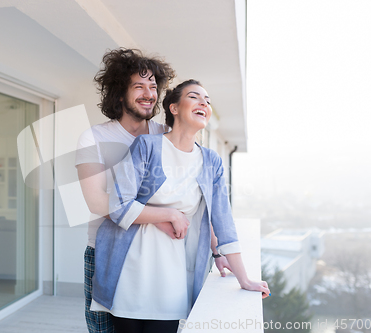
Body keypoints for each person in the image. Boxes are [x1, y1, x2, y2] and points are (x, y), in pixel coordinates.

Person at [91, 80, 270, 333]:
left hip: (172, 274)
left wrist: (243, 277)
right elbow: (119, 206)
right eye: (195, 97)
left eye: (207, 101)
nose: (203, 104)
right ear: (174, 108)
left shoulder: (211, 161)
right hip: (130, 268)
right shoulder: (147, 147)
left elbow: (222, 219)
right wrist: (169, 215)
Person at [76, 48, 223, 333]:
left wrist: (220, 251)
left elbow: (199, 197)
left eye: (153, 87)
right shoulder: (94, 137)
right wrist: (166, 216)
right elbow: (97, 202)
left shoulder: (162, 135)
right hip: (107, 252)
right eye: (139, 86)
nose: (149, 94)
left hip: (160, 255)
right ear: (119, 92)